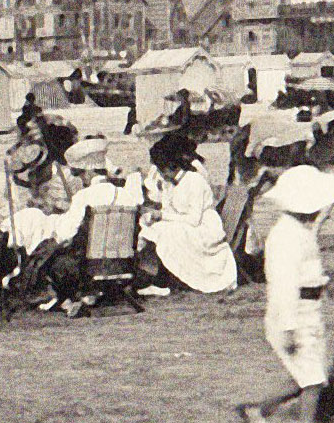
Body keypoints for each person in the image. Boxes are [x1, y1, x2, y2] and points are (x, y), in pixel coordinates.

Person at [235, 165, 334, 423]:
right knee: (312, 380)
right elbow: (283, 288)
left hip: (308, 310)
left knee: (305, 377)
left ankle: (257, 410)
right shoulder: (285, 238)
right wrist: (288, 328)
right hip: (293, 314)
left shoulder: (300, 228)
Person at [137, 132, 237, 296]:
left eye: (161, 171)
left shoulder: (194, 181)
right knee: (155, 228)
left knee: (166, 231)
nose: (160, 175)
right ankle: (159, 278)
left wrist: (162, 217)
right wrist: (157, 215)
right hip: (188, 223)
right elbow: (170, 210)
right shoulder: (171, 184)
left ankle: (162, 282)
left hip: (205, 227)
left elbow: (194, 219)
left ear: (169, 168)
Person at [38, 139, 121, 316]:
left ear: (89, 172)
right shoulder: (124, 193)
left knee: (50, 254)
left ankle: (67, 301)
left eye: (82, 174)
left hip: (89, 261)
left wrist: (54, 237)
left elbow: (66, 233)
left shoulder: (84, 196)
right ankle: (93, 293)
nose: (82, 179)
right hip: (121, 260)